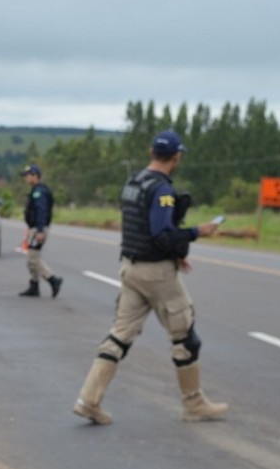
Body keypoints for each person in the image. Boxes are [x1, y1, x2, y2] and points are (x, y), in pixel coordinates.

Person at [72, 131, 227, 425]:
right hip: (156, 274)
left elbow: (143, 228)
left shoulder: (134, 182)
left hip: (130, 267)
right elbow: (161, 233)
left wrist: (175, 251)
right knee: (185, 337)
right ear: (177, 156)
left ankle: (88, 400)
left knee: (119, 336)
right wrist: (197, 232)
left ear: (151, 152)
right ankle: (194, 404)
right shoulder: (163, 190)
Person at [18, 164, 63, 298]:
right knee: (32, 258)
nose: (25, 178)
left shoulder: (39, 192)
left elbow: (41, 211)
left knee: (33, 258)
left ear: (35, 176)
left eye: (27, 176)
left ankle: (52, 279)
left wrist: (40, 230)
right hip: (34, 228)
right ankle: (34, 285)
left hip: (38, 229)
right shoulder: (36, 190)